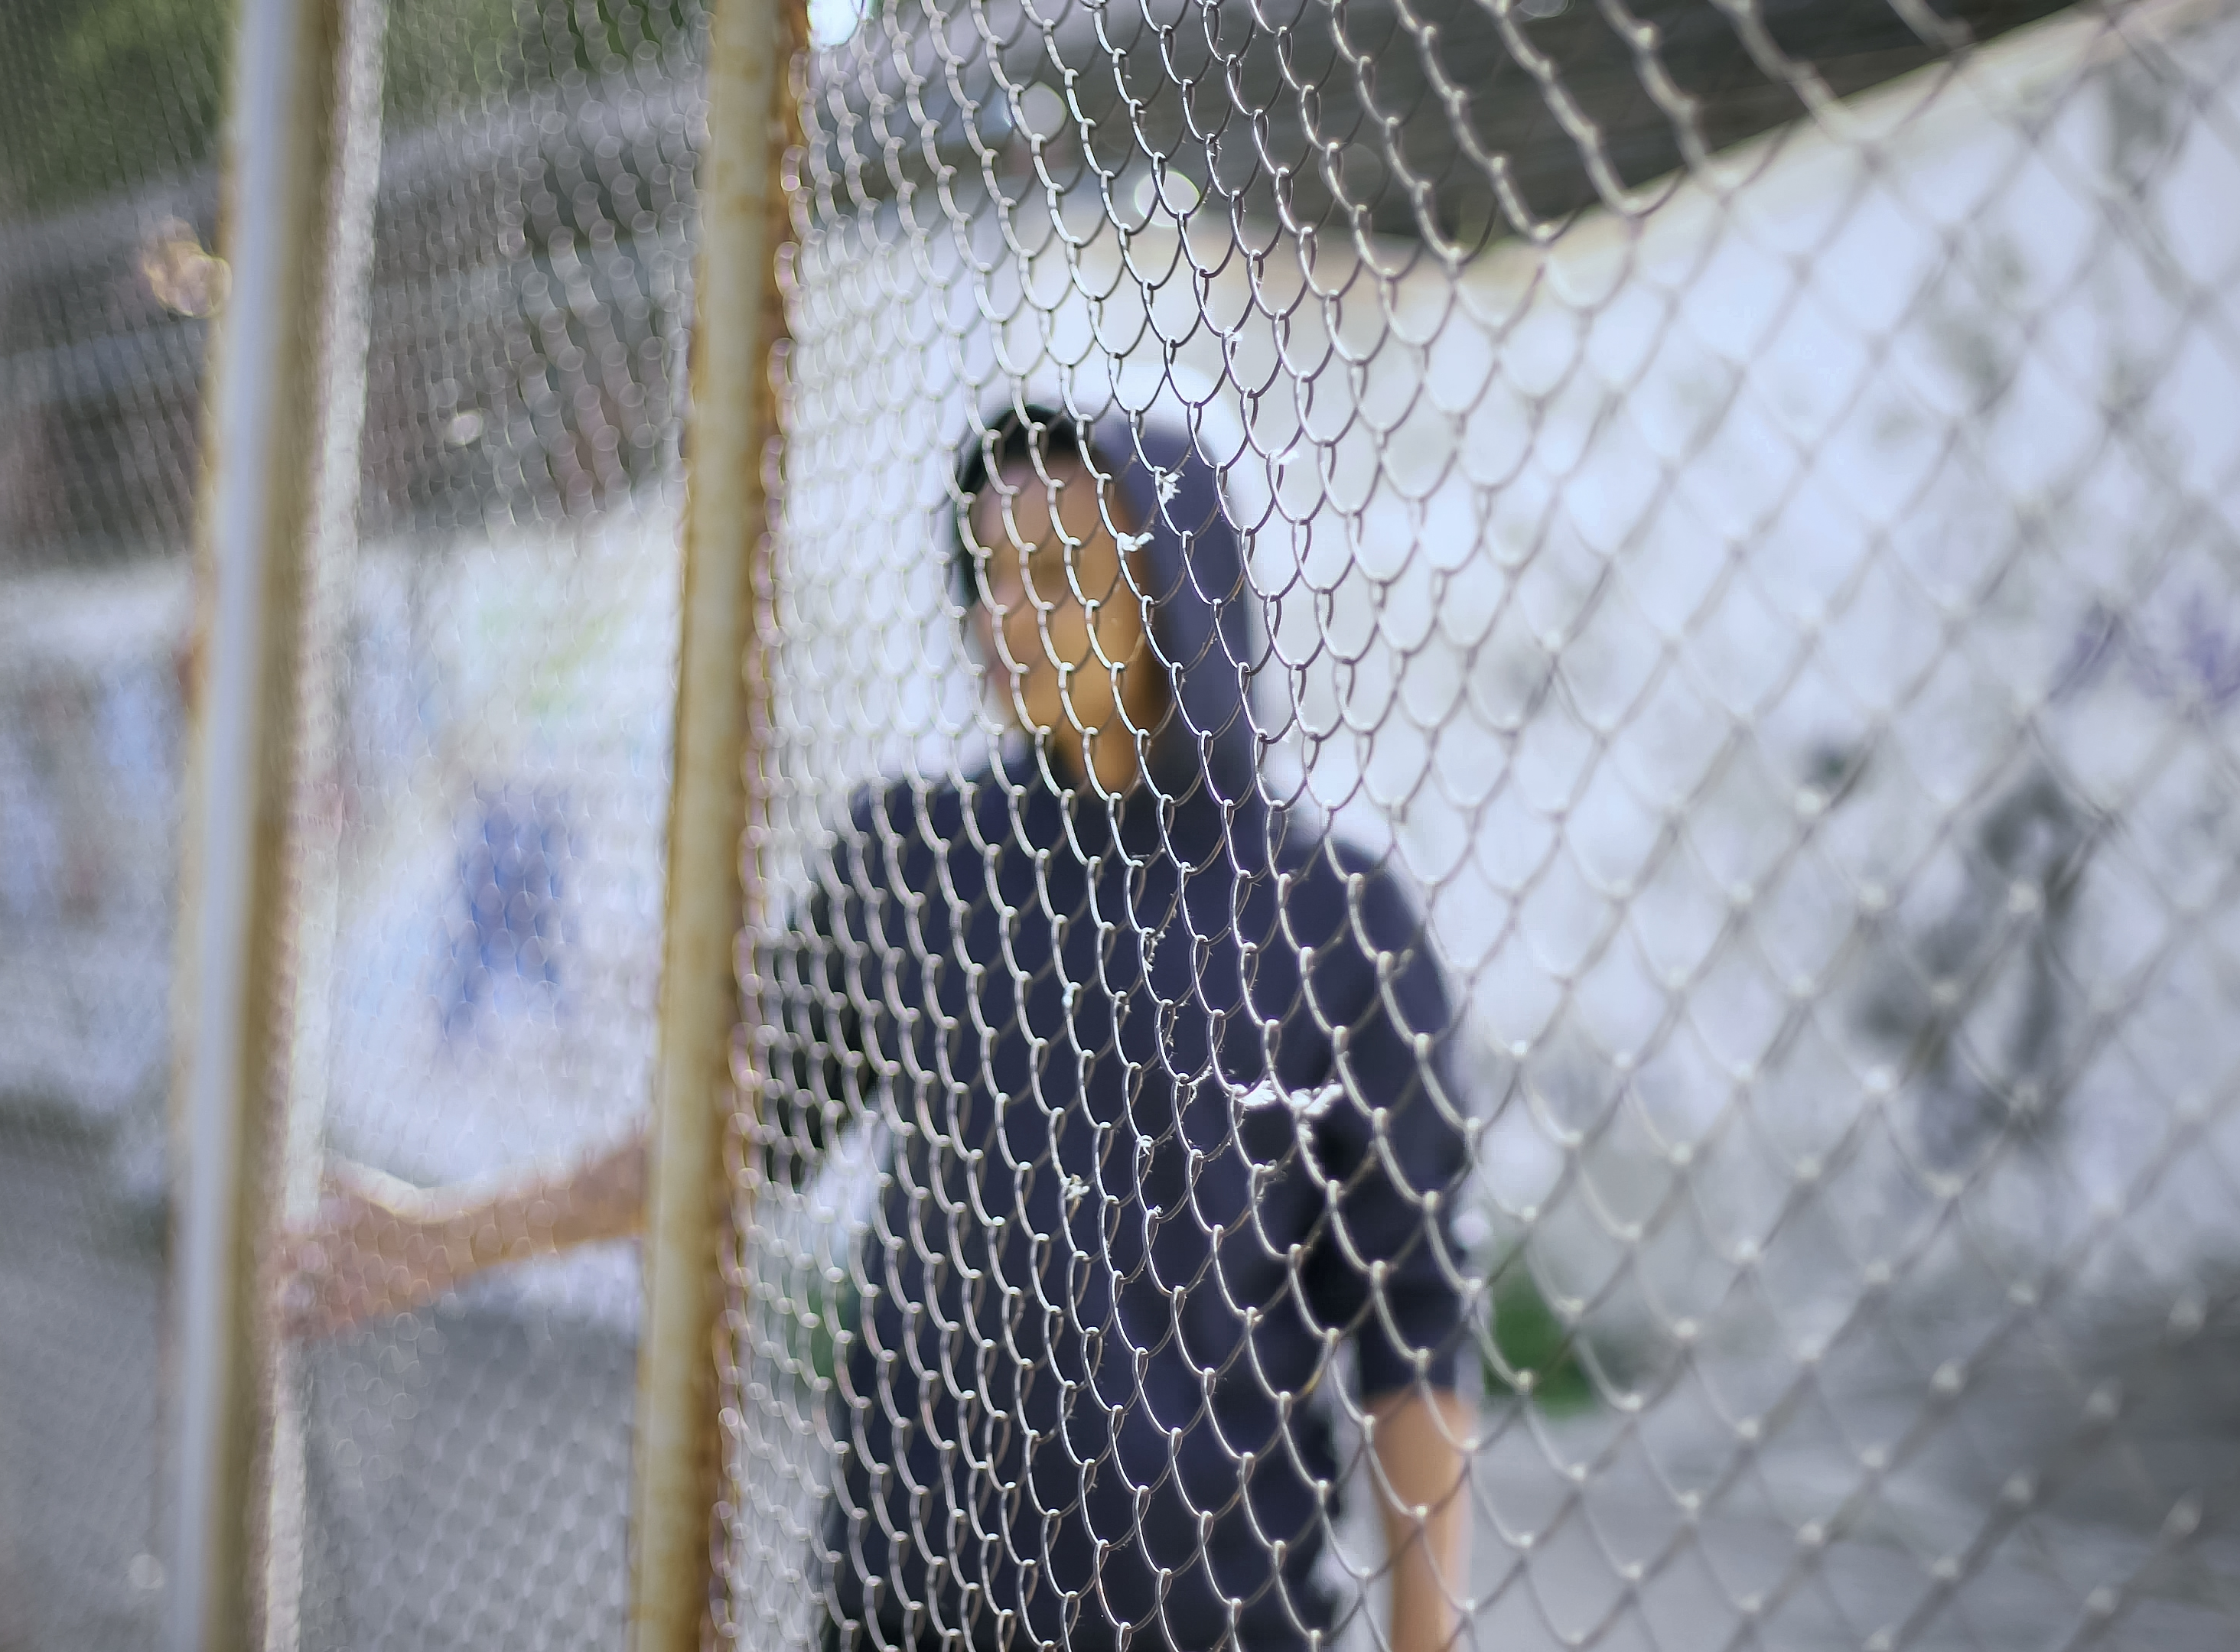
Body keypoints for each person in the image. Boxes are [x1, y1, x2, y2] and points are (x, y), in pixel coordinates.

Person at [288, 406, 1477, 1652]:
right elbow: (734, 1144)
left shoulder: (1332, 922)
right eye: (988, 571)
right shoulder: (918, 856)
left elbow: (1413, 1327)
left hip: (1208, 1615)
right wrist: (451, 1235)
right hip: (911, 1594)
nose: (1001, 617)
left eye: (1059, 574)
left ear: (1178, 596)